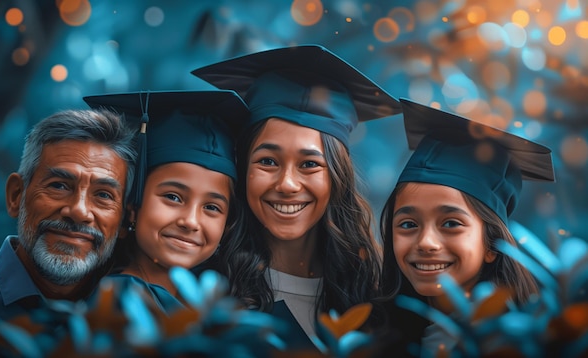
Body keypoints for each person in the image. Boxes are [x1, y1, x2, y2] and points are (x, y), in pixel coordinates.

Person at [191, 44, 402, 350]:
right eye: (267, 161)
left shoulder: (374, 297)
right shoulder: (203, 293)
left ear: (337, 177)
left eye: (309, 164)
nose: (287, 184)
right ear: (242, 167)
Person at [379, 98, 555, 357]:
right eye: (408, 224)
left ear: (492, 245)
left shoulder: (530, 342)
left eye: (451, 223)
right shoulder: (375, 337)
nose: (426, 242)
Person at [0, 109, 137, 354]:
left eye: (103, 195)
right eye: (59, 185)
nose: (79, 211)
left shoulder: (135, 317)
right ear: (16, 196)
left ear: (124, 221)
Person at [84, 90, 248, 312]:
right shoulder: (118, 302)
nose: (190, 221)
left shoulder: (209, 306)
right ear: (132, 205)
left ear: (227, 224)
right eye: (173, 197)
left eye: (211, 207)